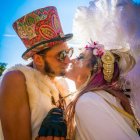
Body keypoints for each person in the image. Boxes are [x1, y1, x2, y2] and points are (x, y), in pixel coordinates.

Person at [0, 6, 73, 140]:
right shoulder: (16, 79)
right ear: (38, 59)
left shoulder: (62, 85)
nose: (69, 60)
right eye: (61, 55)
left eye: (68, 52)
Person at [65, 41, 140, 140]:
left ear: (97, 69)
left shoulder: (87, 101)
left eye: (80, 57)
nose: (71, 60)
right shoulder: (98, 98)